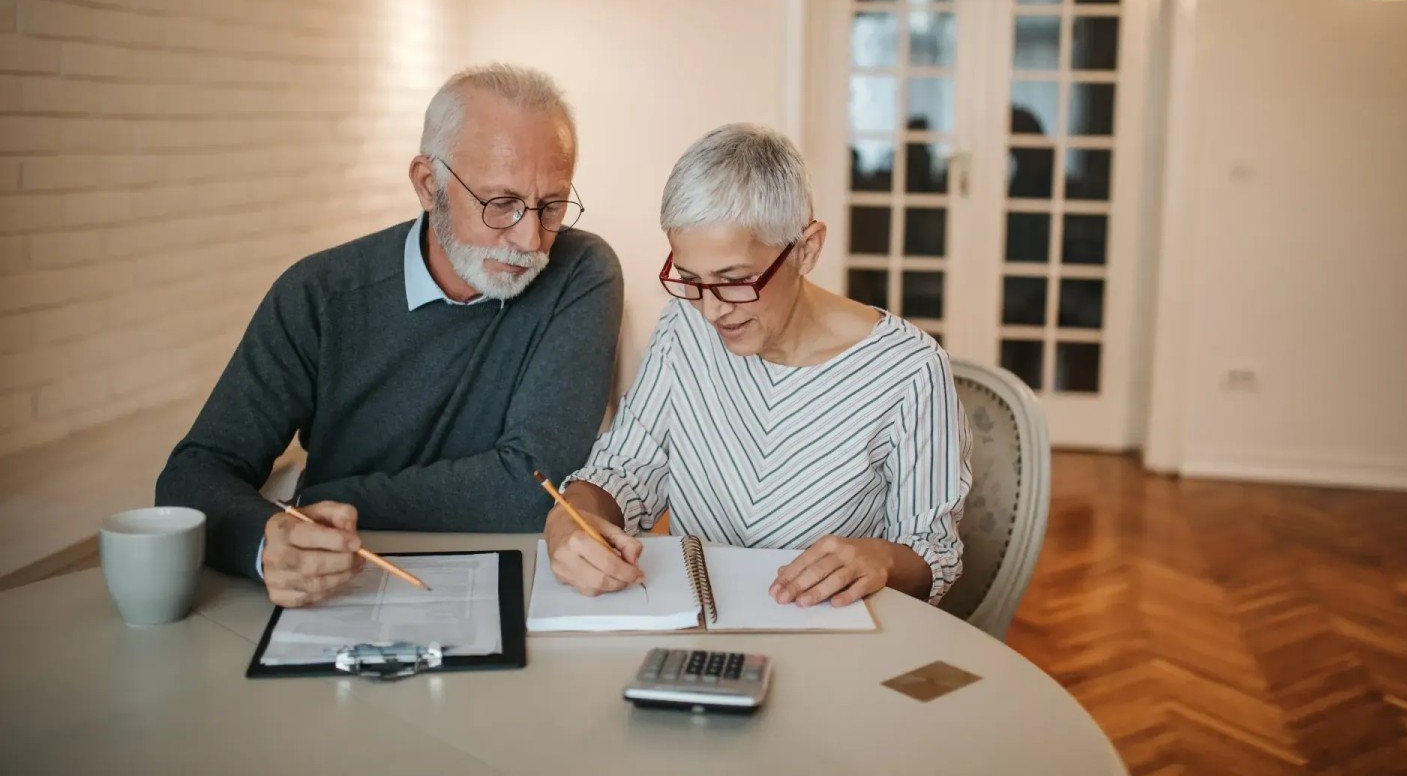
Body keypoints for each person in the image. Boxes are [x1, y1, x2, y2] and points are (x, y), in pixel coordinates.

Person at [156, 64, 622, 608]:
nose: (530, 238)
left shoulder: (581, 271)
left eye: (552, 205)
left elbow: (533, 489)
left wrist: (321, 497)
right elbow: (192, 477)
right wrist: (269, 541)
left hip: (519, 587)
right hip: (341, 591)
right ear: (429, 185)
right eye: (501, 203)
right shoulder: (319, 294)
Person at [545, 124, 971, 609]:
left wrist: (883, 559)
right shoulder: (684, 328)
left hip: (832, 641)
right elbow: (625, 468)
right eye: (690, 279)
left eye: (735, 280)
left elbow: (934, 552)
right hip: (699, 631)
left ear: (806, 250)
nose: (712, 310)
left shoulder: (910, 371)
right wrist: (572, 513)